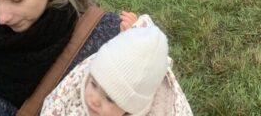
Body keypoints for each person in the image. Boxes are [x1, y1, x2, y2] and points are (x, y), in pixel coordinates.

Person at [40, 16, 193, 116]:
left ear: (131, 109)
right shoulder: (83, 78)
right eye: (93, 84)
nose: (94, 99)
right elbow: (56, 103)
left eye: (110, 99)